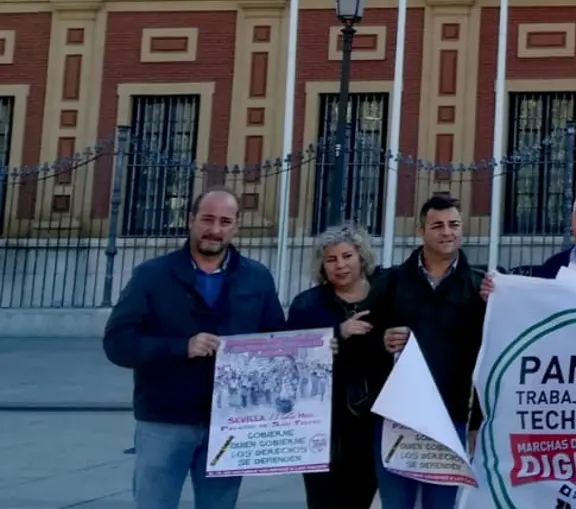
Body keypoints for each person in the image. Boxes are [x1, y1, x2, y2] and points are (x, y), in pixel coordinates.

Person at [103, 189, 286, 509]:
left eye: (225, 221)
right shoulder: (152, 275)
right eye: (208, 219)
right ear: (190, 220)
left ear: (237, 227)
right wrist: (181, 348)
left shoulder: (257, 278)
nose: (215, 230)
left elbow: (277, 343)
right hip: (164, 420)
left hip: (230, 423)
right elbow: (117, 344)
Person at [370, 194, 486, 509]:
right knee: (396, 504)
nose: (447, 232)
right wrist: (381, 341)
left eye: (454, 225)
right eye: (437, 226)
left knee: (443, 505)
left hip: (453, 418)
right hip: (398, 418)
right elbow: (362, 340)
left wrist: (478, 422)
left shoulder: (482, 287)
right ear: (421, 230)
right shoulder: (389, 282)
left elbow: (490, 356)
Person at [286, 224, 389, 509]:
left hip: (376, 421)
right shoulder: (307, 305)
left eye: (347, 256)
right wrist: (334, 333)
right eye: (331, 259)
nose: (340, 265)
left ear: (362, 257)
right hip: (324, 426)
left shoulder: (388, 295)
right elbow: (286, 358)